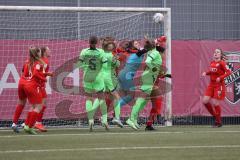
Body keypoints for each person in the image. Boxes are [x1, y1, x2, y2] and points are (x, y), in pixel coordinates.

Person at [126, 39, 162, 130]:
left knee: (144, 101)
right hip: (149, 78)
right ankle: (130, 119)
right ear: (155, 45)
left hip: (149, 77)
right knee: (141, 100)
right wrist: (153, 69)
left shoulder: (151, 51)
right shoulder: (155, 53)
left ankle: (133, 119)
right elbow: (148, 62)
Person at [78, 36, 109, 131]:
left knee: (88, 98)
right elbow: (105, 64)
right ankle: (104, 120)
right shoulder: (101, 52)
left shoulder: (84, 51)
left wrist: (85, 68)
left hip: (87, 77)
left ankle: (90, 120)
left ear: (89, 42)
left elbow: (79, 65)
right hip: (98, 77)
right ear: (97, 43)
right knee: (101, 98)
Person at [202, 48, 231, 127]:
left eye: (217, 52)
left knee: (215, 103)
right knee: (204, 101)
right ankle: (216, 117)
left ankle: (218, 122)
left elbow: (229, 72)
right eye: (215, 52)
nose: (215, 53)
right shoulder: (212, 62)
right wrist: (206, 73)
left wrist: (220, 78)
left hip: (219, 85)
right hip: (211, 85)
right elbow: (211, 72)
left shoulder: (222, 63)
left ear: (220, 55)